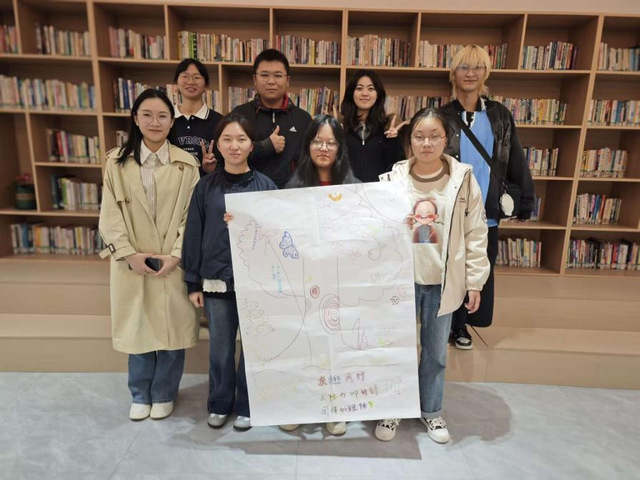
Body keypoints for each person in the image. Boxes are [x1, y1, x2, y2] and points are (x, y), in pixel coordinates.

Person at [375, 108, 490, 444]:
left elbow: (476, 232)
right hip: (401, 281)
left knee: (436, 352)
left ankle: (431, 410)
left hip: (442, 281)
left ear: (446, 139)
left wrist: (474, 280)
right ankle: (392, 407)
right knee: (397, 348)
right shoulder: (392, 180)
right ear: (410, 140)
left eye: (434, 136)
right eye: (419, 136)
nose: (426, 143)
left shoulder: (462, 179)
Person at [98, 88, 200, 421]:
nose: (155, 122)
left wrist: (177, 254)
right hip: (132, 263)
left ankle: (165, 393)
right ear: (136, 118)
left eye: (162, 116)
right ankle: (140, 394)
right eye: (147, 115)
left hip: (172, 262)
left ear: (172, 121)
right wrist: (128, 254)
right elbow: (109, 214)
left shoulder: (187, 164)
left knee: (171, 332)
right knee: (138, 329)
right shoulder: (116, 162)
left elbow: (192, 217)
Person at [181, 113, 277, 432]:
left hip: (256, 283)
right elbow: (194, 233)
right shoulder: (205, 187)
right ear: (218, 145)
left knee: (253, 349)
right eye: (227, 139)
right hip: (215, 280)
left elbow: (276, 235)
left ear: (251, 145)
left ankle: (248, 405)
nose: (234, 146)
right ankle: (220, 403)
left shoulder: (266, 186)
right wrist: (192, 282)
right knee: (220, 349)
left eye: (241, 139)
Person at [440, 45, 535, 350]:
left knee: (480, 267)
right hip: (451, 208)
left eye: (477, 67)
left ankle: (464, 324)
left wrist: (525, 202)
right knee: (450, 267)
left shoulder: (499, 115)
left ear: (485, 73)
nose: (470, 73)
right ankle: (450, 324)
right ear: (454, 73)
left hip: (486, 208)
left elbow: (515, 158)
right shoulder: (442, 116)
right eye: (464, 67)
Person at [279, 113, 359, 437]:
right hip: (304, 283)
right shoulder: (293, 187)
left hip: (341, 284)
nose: (323, 148)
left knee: (336, 347)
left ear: (340, 148)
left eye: (330, 142)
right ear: (307, 145)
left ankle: (335, 407)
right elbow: (279, 234)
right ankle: (299, 404)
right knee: (304, 346)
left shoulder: (355, 189)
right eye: (317, 141)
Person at [231, 49, 312, 188]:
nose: (271, 81)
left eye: (278, 75)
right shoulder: (240, 115)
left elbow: (309, 163)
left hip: (291, 195)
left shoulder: (303, 119)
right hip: (249, 193)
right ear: (255, 79)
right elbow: (229, 155)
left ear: (287, 80)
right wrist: (265, 147)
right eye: (264, 75)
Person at [340, 69, 406, 182]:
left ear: (378, 94)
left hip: (379, 191)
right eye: (359, 88)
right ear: (351, 93)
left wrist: (392, 141)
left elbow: (397, 169)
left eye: (371, 89)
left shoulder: (388, 128)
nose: (365, 93)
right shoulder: (341, 127)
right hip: (345, 190)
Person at [171, 58, 223, 176]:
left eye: (197, 77)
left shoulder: (219, 122)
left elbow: (225, 162)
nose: (190, 82)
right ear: (176, 83)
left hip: (207, 185)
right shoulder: (167, 119)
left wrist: (210, 169)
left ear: (206, 85)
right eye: (185, 76)